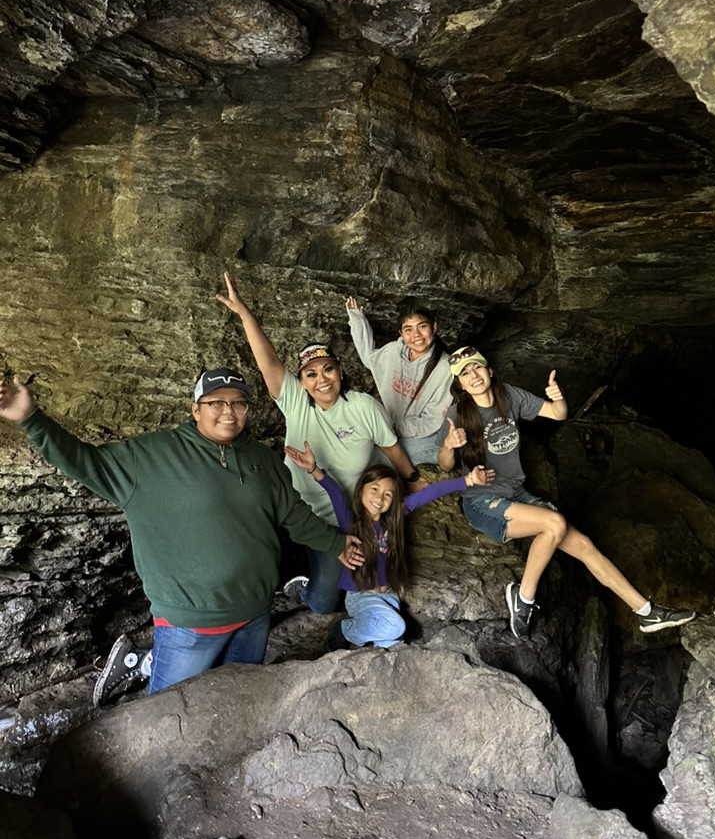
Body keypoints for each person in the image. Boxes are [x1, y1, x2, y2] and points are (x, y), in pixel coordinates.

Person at [0, 368, 363, 703]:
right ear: (195, 410)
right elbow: (83, 461)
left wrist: (337, 544)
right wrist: (31, 420)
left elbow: (295, 516)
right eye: (216, 402)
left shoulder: (263, 459)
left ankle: (142, 665)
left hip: (254, 613)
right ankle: (142, 667)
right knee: (167, 710)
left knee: (236, 700)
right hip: (190, 621)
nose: (228, 411)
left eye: (238, 403)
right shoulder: (151, 456)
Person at [438, 347, 697, 640]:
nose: (473, 376)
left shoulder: (508, 396)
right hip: (482, 501)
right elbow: (445, 464)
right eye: (465, 374)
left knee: (584, 545)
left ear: (490, 371)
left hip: (516, 493)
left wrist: (557, 398)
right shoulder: (457, 414)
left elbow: (558, 415)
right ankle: (523, 599)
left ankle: (646, 612)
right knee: (555, 524)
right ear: (459, 384)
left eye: (477, 368)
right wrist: (449, 445)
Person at [217, 273, 426, 615]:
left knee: (332, 600)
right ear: (301, 381)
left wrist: (413, 478)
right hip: (303, 513)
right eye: (311, 374)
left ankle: (314, 581)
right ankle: (297, 582)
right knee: (322, 601)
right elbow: (267, 361)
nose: (321, 379)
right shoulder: (296, 402)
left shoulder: (362, 406)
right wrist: (245, 315)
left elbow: (391, 449)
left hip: (349, 516)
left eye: (327, 369)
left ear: (340, 372)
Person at [285, 440, 494, 648]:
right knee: (396, 627)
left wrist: (467, 480)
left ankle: (368, 648)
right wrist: (313, 469)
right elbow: (335, 492)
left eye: (387, 494)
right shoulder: (351, 522)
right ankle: (345, 631)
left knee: (392, 642)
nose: (379, 498)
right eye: (374, 489)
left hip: (388, 595)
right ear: (361, 490)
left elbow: (428, 494)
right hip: (361, 597)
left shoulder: (393, 520)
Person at [346, 297, 452, 467]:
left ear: (434, 327)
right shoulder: (393, 352)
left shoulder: (446, 368)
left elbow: (432, 421)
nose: (416, 335)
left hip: (428, 436)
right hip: (391, 430)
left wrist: (390, 430)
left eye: (422, 326)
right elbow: (370, 359)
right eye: (408, 329)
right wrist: (357, 319)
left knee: (376, 460)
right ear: (401, 334)